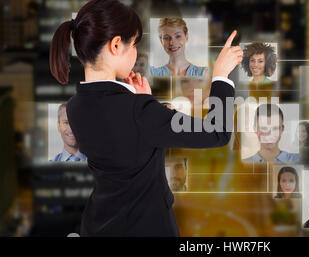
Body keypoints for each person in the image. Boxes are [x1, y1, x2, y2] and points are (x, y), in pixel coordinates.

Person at [49, 0, 242, 236]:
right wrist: (221, 75)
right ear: (116, 45)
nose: (135, 52)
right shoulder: (139, 111)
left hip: (98, 225)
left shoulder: (74, 107)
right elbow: (217, 132)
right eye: (134, 44)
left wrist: (143, 102)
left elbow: (126, 145)